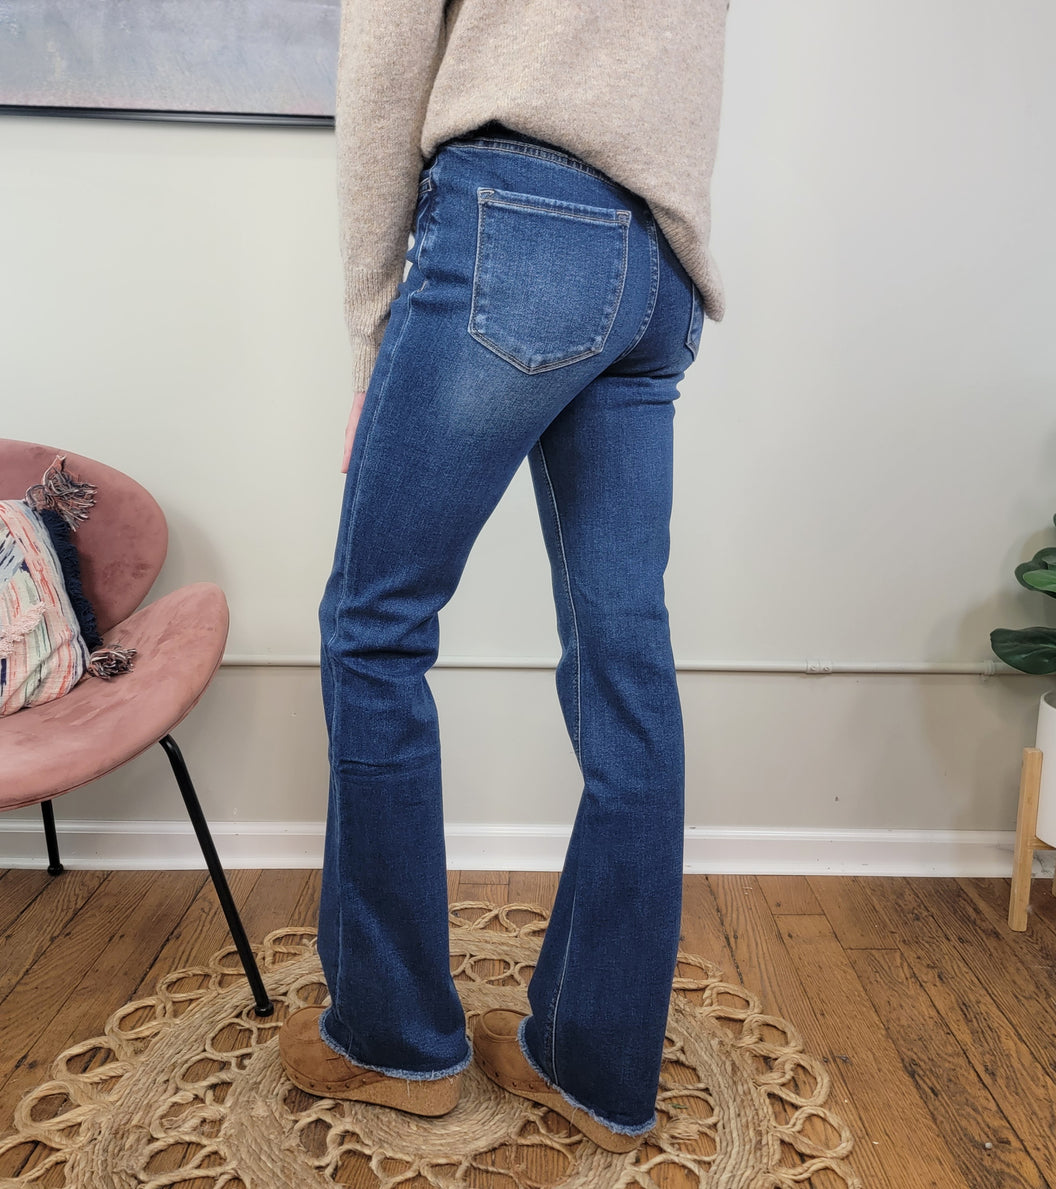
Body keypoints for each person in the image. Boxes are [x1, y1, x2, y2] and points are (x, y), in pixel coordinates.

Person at [278, 0, 730, 1154]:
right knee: (625, 661)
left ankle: (391, 1038)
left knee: (374, 630)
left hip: (515, 229)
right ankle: (594, 1063)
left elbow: (385, 55)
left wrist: (378, 335)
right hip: (659, 272)